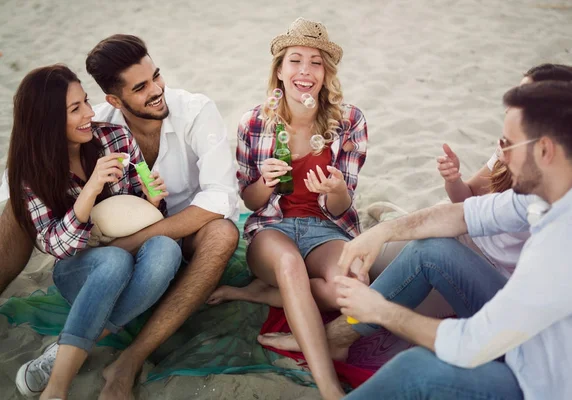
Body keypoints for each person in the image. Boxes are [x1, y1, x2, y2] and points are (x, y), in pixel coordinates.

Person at [266, 80, 572, 399]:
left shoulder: (571, 247)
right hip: (534, 339)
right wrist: (383, 232)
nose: (501, 156)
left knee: (416, 369)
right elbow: (461, 214)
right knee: (430, 250)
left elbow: (469, 343)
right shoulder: (562, 187)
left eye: (508, 144)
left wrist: (381, 311)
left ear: (545, 150)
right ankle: (337, 336)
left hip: (542, 383)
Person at [208, 17, 367, 400]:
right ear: (279, 70)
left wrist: (336, 188)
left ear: (326, 73)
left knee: (355, 284)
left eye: (316, 62)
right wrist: (265, 182)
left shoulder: (349, 121)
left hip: (326, 229)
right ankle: (329, 386)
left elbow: (342, 204)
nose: (305, 71)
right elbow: (249, 201)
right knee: (290, 266)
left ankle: (261, 294)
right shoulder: (254, 123)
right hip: (273, 230)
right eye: (295, 60)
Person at [8, 65, 182, 400]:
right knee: (113, 260)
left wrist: (152, 199)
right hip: (79, 270)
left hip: (137, 260)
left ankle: (62, 352)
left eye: (85, 102)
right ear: (47, 121)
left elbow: (147, 211)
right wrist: (89, 190)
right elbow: (56, 246)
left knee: (167, 249)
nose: (90, 113)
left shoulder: (115, 138)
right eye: (76, 109)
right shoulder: (28, 176)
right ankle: (56, 389)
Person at [83, 34, 240, 399]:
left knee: (224, 234)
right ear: (114, 100)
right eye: (141, 87)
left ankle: (131, 359)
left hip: (189, 235)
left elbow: (222, 198)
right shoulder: (100, 128)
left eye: (157, 75)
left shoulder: (196, 110)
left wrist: (134, 241)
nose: (157, 90)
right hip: (132, 244)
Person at [368, 63, 572, 278]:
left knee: (382, 272)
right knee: (373, 258)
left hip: (479, 263)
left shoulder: (562, 188)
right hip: (459, 227)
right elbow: (466, 199)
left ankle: (394, 220)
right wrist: (453, 179)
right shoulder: (511, 146)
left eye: (523, 99)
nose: (511, 106)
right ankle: (394, 219)